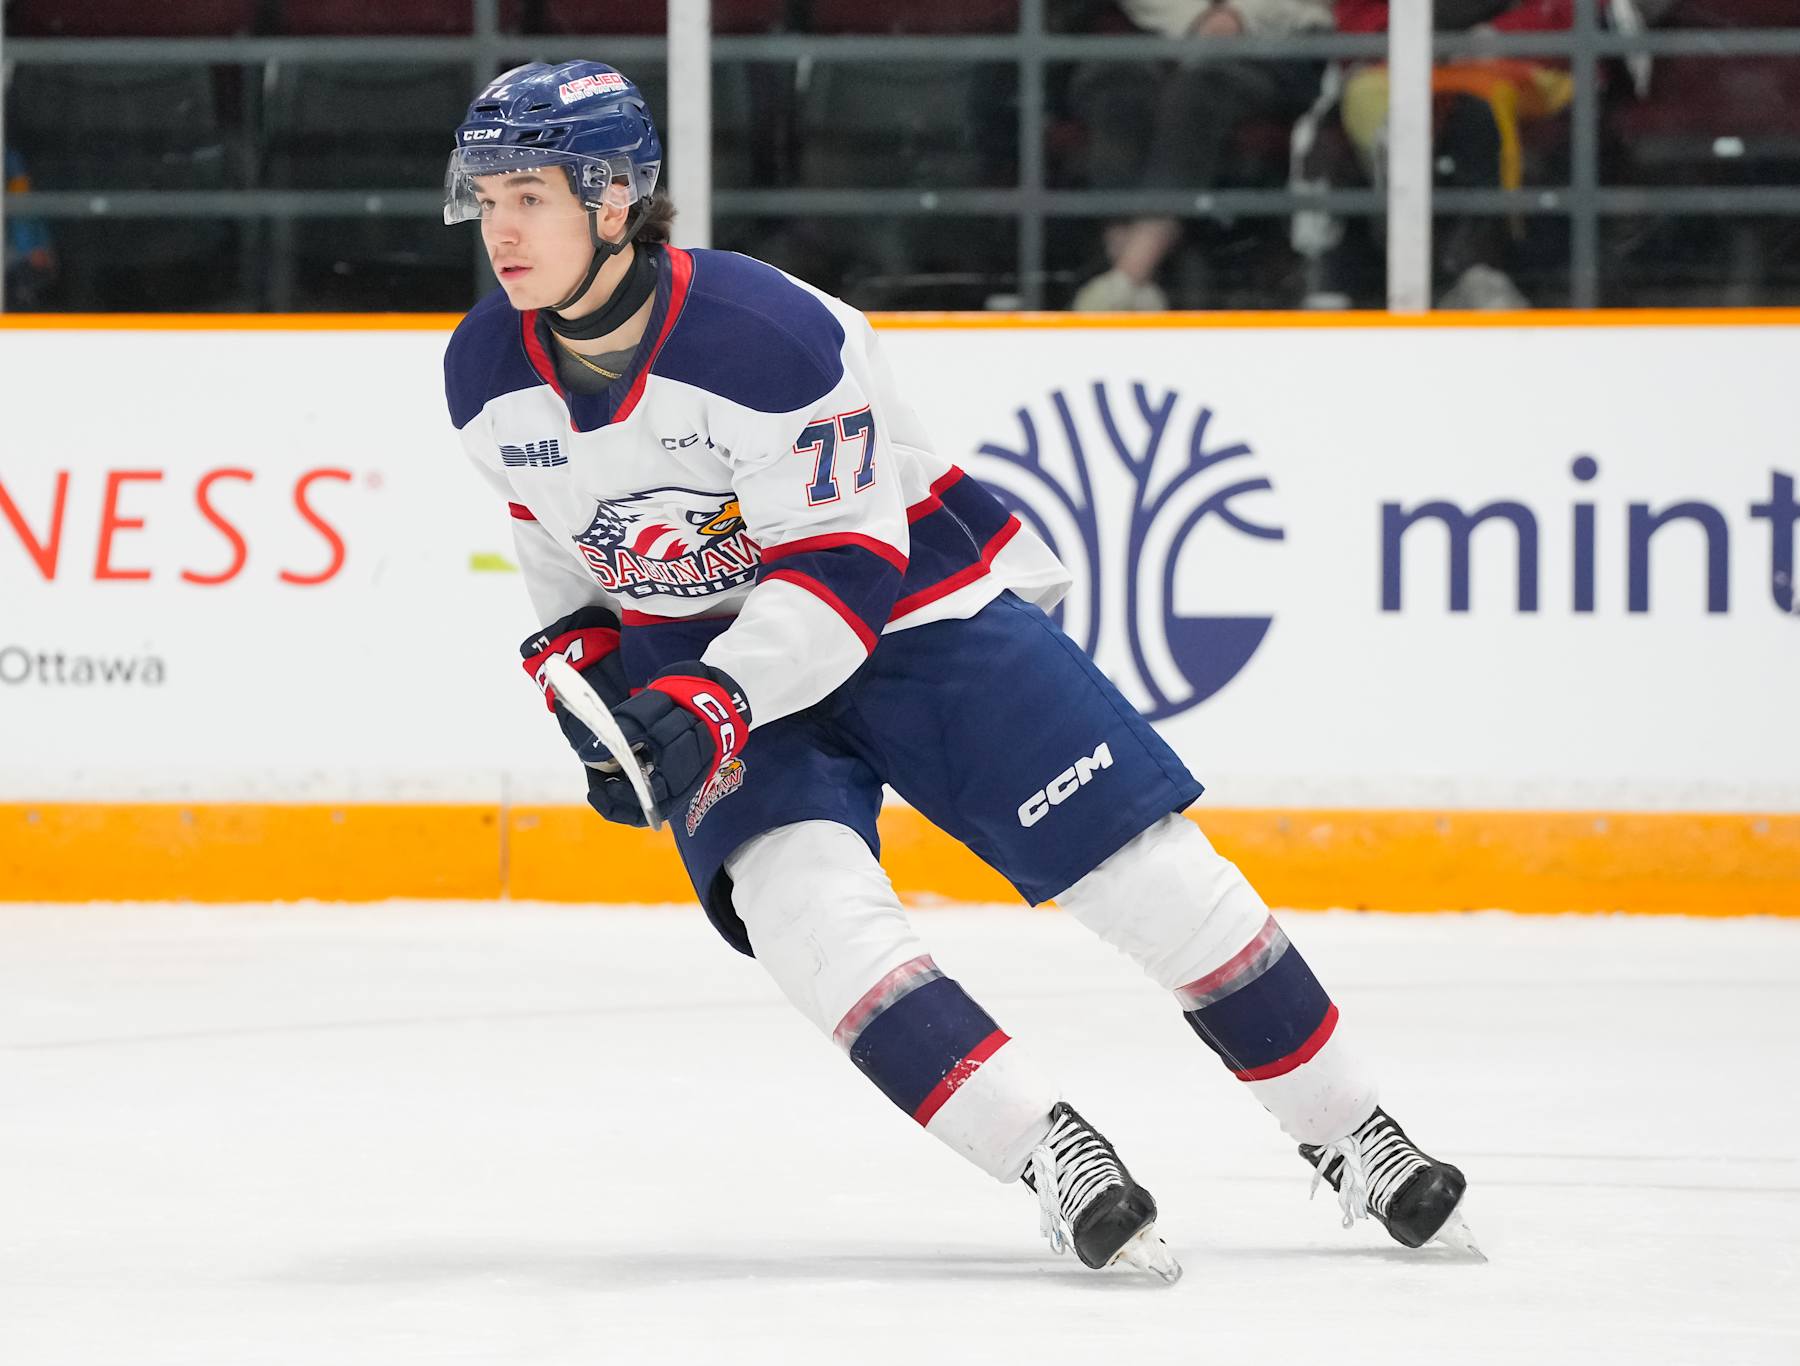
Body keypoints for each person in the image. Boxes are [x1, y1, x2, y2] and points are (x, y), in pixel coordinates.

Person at [443, 59, 1478, 1280]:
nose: (500, 230)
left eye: (530, 197)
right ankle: (1054, 1155)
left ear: (614, 201)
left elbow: (842, 572)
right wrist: (609, 703)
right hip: (708, 657)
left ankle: (1355, 1129)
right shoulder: (484, 368)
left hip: (913, 614)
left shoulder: (767, 335)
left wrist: (706, 704)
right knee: (805, 921)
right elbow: (562, 557)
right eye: (488, 198)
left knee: (1149, 876)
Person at [1069, 0, 1334, 311]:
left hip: (1272, 39)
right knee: (1117, 88)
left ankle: (1125, 280)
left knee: (1197, 95)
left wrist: (1238, 16)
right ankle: (1132, 280)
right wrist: (1194, 19)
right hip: (1154, 31)